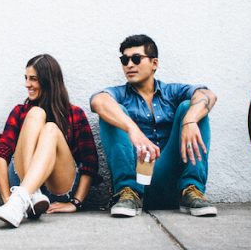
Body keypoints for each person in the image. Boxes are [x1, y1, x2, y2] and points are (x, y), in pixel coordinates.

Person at [90, 34, 218, 217]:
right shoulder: (120, 94)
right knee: (111, 111)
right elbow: (98, 102)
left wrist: (190, 120)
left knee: (193, 107)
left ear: (154, 63)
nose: (129, 65)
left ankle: (192, 189)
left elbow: (208, 95)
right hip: (136, 179)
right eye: (124, 60)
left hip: (172, 179)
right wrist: (132, 129)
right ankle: (128, 192)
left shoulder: (172, 92)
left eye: (136, 58)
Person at [0, 54, 99, 228]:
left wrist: (75, 203)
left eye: (33, 79)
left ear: (48, 81)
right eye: (26, 78)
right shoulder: (20, 111)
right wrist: (7, 200)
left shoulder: (74, 114)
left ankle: (24, 196)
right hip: (20, 188)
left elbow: (89, 163)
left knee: (50, 128)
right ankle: (28, 194)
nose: (27, 84)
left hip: (57, 188)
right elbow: (1, 155)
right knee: (35, 113)